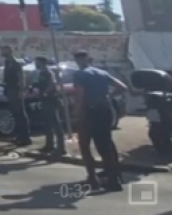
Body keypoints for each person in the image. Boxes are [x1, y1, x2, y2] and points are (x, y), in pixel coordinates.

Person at [72, 50, 126, 191]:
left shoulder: (80, 74)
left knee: (84, 144)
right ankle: (115, 178)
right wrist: (108, 96)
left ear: (78, 60)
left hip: (90, 112)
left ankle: (93, 179)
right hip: (105, 110)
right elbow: (122, 87)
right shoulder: (102, 73)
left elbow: (80, 95)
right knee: (106, 144)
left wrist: (76, 113)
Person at [31, 56, 65, 155]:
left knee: (56, 124)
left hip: (51, 100)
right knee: (47, 124)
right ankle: (49, 145)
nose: (35, 64)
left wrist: (46, 92)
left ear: (42, 62)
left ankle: (61, 148)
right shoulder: (42, 72)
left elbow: (53, 83)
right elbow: (41, 83)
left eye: (37, 62)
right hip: (45, 101)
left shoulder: (48, 72)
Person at [0, 45, 32, 146]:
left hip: (16, 90)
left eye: (4, 50)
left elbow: (21, 77)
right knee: (15, 114)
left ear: (9, 51)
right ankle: (19, 136)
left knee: (20, 114)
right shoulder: (6, 63)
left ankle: (25, 137)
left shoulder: (16, 64)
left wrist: (21, 91)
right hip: (9, 90)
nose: (2, 52)